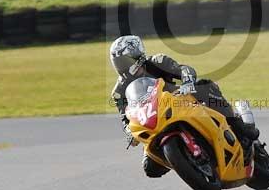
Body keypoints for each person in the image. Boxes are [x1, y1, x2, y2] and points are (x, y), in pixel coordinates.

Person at [109, 35, 259, 178]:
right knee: (150, 168)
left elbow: (184, 69)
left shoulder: (157, 61)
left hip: (180, 101)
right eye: (118, 63)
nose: (121, 66)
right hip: (154, 120)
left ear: (137, 56)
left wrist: (187, 82)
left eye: (124, 61)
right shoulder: (118, 92)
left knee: (205, 86)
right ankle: (186, 160)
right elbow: (125, 118)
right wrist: (129, 132)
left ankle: (240, 126)